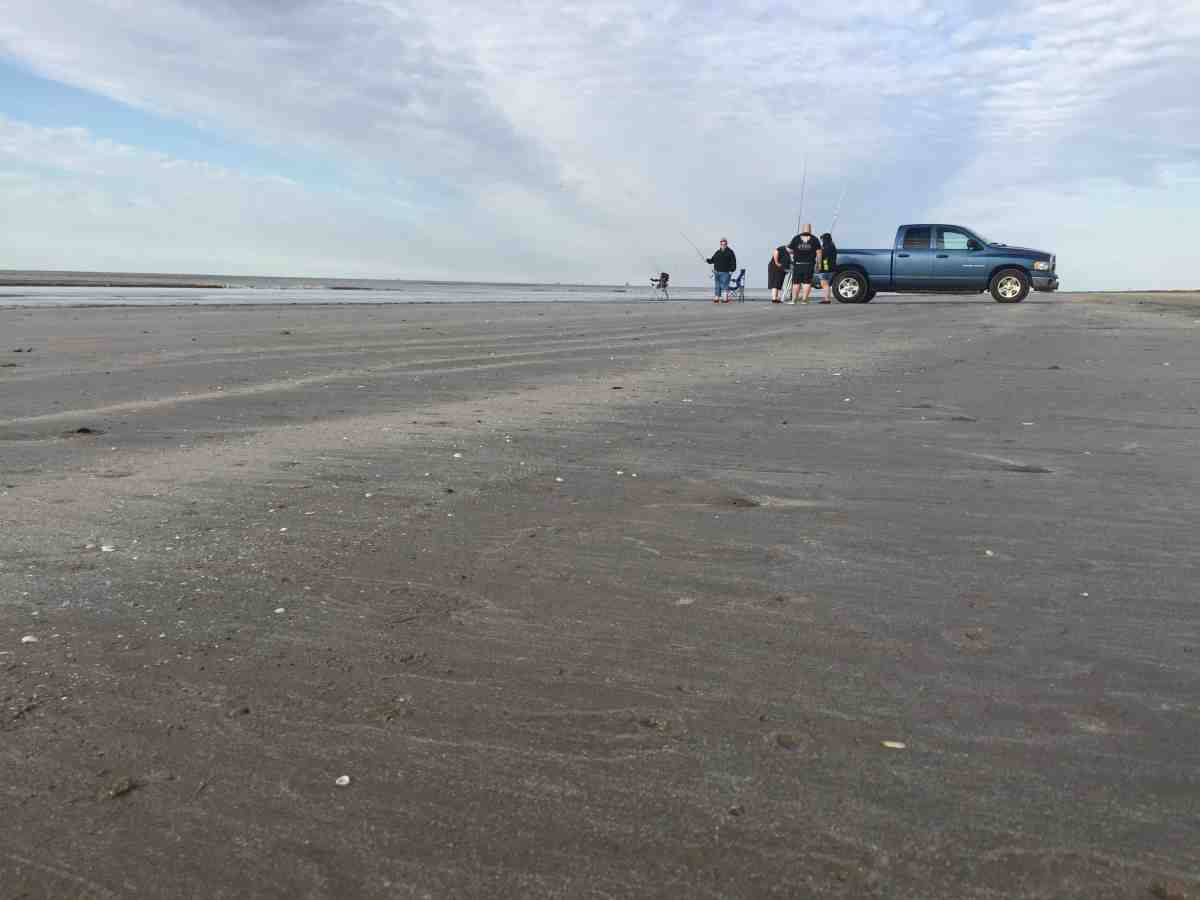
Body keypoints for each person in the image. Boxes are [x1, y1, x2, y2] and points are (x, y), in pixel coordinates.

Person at [787, 224, 822, 304]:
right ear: (810, 230)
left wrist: (795, 252)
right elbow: (819, 252)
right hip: (809, 264)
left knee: (796, 283)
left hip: (798, 264)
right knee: (807, 282)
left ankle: (793, 300)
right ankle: (804, 300)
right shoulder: (814, 239)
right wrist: (818, 264)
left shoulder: (796, 238)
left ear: (802, 229)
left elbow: (789, 250)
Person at [706, 238, 737, 304]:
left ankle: (725, 299)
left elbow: (733, 262)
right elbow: (713, 260)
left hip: (726, 272)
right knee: (717, 285)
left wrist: (732, 270)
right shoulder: (718, 252)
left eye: (724, 244)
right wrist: (708, 261)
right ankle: (716, 298)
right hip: (717, 271)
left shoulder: (730, 252)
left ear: (726, 244)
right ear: (720, 244)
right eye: (722, 244)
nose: (723, 245)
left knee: (724, 285)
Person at [815, 232, 837, 304]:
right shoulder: (833, 246)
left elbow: (821, 257)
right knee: (826, 284)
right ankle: (826, 298)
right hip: (832, 268)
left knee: (824, 284)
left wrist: (818, 265)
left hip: (825, 267)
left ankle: (826, 299)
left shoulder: (824, 247)